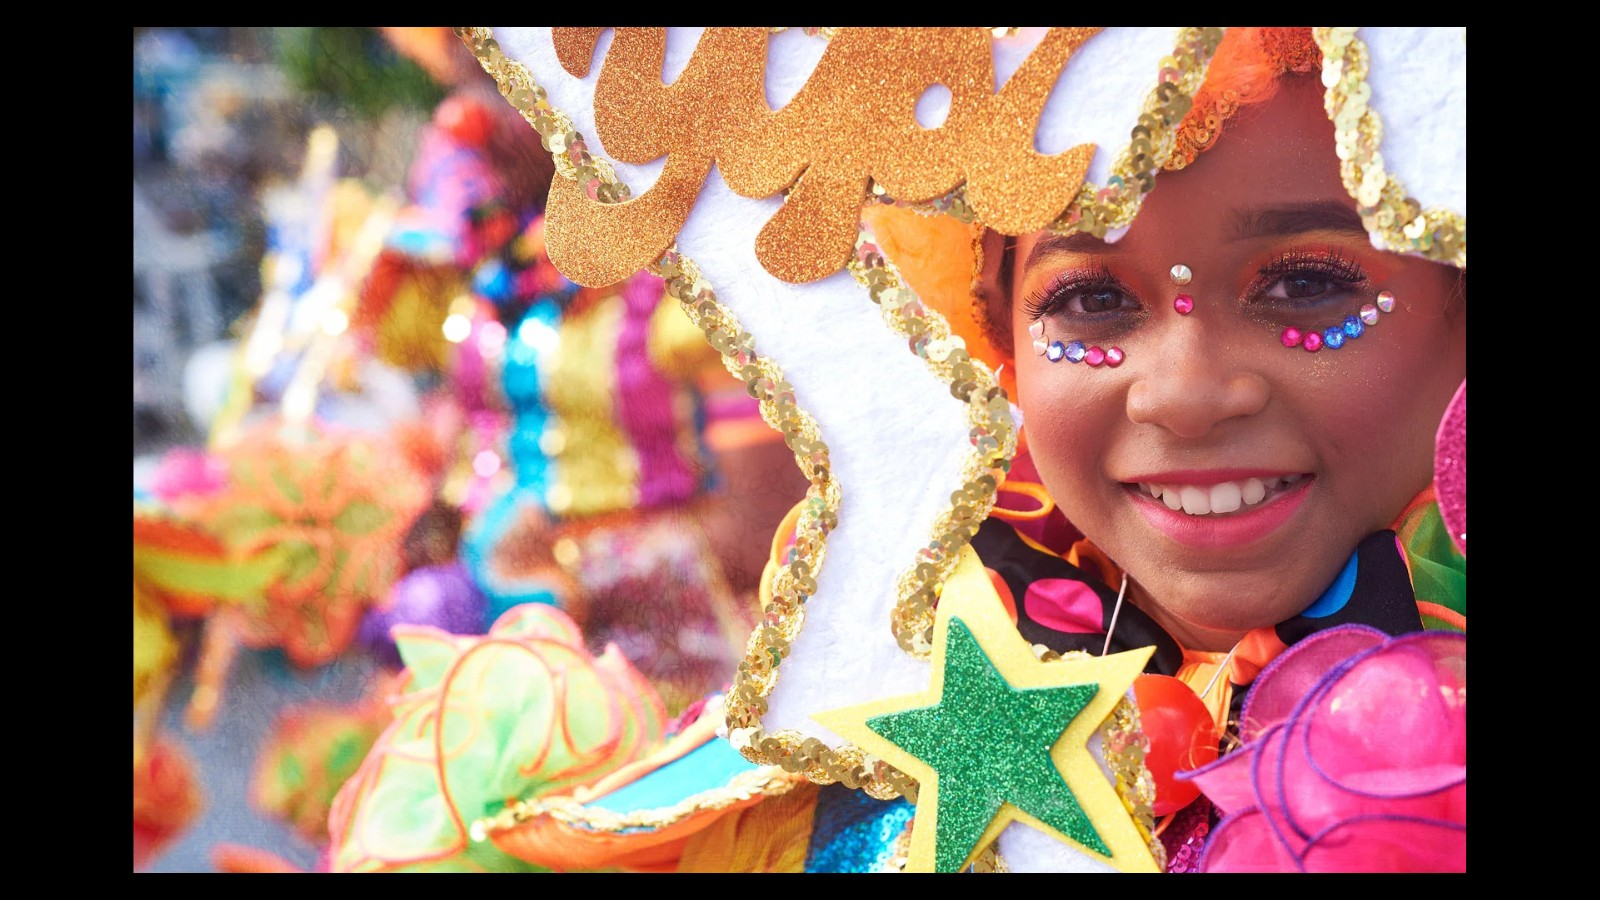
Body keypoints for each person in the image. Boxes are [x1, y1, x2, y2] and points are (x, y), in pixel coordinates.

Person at [333, 26, 1464, 872]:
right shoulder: (889, 754)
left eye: (1308, 284)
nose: (1184, 394)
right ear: (999, 344)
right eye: (1088, 302)